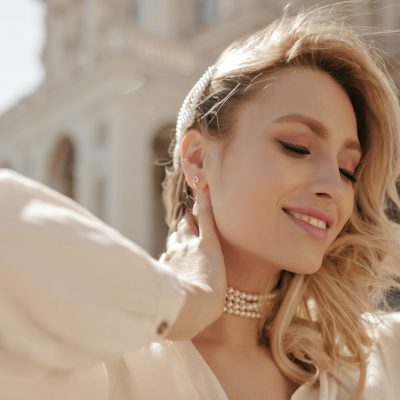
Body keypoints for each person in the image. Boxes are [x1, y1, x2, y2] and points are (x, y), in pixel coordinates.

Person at [1, 4, 400, 400]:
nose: (334, 186)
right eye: (296, 147)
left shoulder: (375, 358)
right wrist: (182, 301)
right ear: (197, 159)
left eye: (349, 169)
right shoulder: (112, 367)